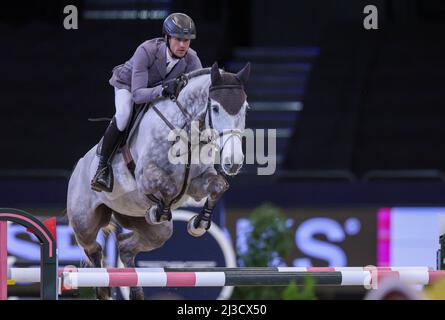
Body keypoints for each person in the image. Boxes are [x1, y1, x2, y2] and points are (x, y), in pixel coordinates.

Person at [91, 13, 203, 193]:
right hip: (128, 85)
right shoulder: (147, 50)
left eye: (187, 40)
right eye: (178, 39)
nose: (183, 45)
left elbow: (196, 93)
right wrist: (163, 90)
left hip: (160, 92)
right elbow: (138, 95)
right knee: (123, 115)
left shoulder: (192, 60)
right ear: (166, 37)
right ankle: (102, 168)